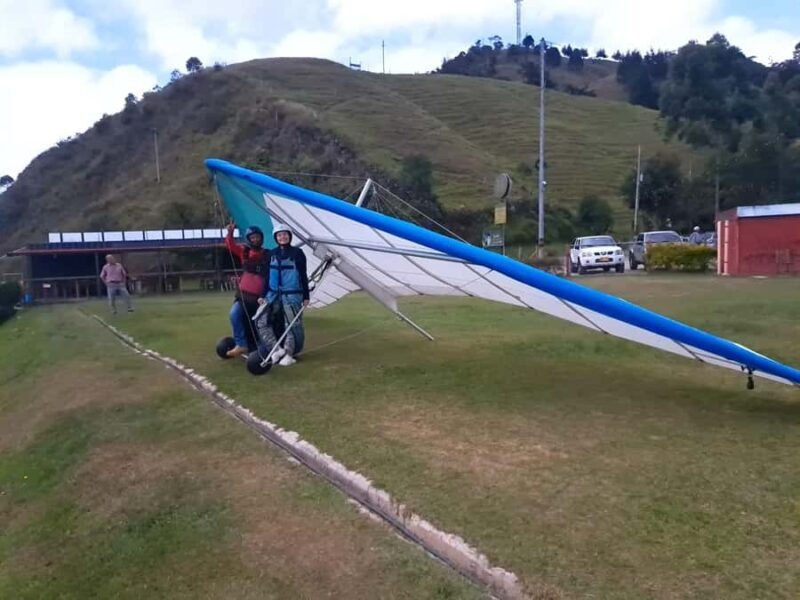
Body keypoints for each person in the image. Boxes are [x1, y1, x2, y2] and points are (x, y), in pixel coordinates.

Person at [255, 224, 309, 366]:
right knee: (261, 320)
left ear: (289, 236)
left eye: (285, 234)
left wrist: (306, 296)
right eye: (279, 235)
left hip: (292, 294)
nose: (282, 237)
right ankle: (276, 349)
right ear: (275, 238)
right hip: (272, 294)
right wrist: (262, 295)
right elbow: (267, 277)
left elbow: (303, 275)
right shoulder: (271, 254)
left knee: (290, 324)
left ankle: (289, 353)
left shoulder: (298, 253)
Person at [225, 222, 269, 357]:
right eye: (252, 238)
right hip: (243, 296)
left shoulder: (267, 254)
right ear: (248, 239)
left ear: (261, 238)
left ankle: (264, 345)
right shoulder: (244, 251)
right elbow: (229, 244)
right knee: (234, 315)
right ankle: (241, 344)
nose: (255, 240)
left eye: (257, 237)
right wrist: (230, 233)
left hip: (259, 298)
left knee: (259, 323)